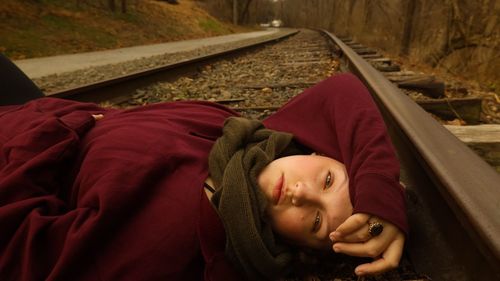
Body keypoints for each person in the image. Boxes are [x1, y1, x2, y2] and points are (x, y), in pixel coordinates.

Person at [0, 54, 406, 280]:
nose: (301, 193)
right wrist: (378, 187)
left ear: (301, 250)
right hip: (38, 113)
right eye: (327, 180)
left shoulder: (177, 243)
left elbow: (20, 248)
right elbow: (341, 89)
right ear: (319, 153)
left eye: (316, 222)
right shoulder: (252, 143)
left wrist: (63, 131)